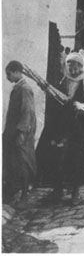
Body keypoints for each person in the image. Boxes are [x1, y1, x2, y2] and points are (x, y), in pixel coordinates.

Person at [36, 52, 84, 205]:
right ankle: (58, 189)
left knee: (76, 159)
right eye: (70, 69)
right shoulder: (64, 80)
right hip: (62, 126)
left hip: (79, 128)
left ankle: (75, 192)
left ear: (81, 67)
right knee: (56, 157)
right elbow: (57, 101)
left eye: (75, 69)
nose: (73, 72)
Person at [3, 61, 37, 209]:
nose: (7, 77)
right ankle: (14, 194)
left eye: (9, 74)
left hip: (21, 133)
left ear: (17, 72)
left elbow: (27, 112)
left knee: (24, 163)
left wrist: (21, 133)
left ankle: (24, 196)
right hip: (13, 132)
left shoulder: (24, 89)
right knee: (14, 163)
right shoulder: (18, 88)